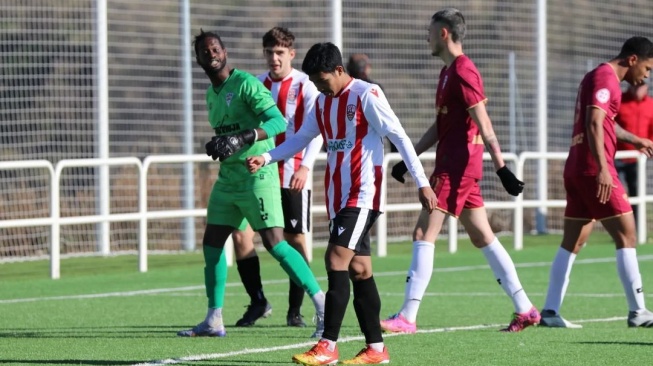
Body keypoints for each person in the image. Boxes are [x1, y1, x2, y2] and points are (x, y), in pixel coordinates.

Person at [247, 42, 437, 365]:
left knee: (335, 258)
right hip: (338, 198)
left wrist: (422, 182)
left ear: (339, 71)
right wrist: (266, 156)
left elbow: (400, 136)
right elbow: (300, 139)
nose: (319, 88)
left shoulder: (366, 95)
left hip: (363, 195)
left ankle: (327, 346)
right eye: (315, 84)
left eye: (322, 80)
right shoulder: (322, 103)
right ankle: (376, 349)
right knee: (359, 270)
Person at [380, 8, 540, 334]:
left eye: (430, 29)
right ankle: (526, 308)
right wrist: (409, 157)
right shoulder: (446, 73)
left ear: (443, 33)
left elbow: (484, 123)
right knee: (483, 236)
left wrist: (502, 168)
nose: (426, 35)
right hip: (455, 166)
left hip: (457, 168)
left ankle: (407, 317)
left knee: (424, 234)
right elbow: (442, 127)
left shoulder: (464, 70)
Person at [176, 29, 326, 338]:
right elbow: (227, 134)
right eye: (205, 52)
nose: (211, 54)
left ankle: (323, 307)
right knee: (212, 245)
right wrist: (218, 144)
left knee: (276, 243)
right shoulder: (210, 94)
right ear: (199, 60)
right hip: (228, 179)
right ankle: (214, 318)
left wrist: (244, 137)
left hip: (258, 175)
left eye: (215, 48)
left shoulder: (246, 83)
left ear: (225, 52)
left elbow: (277, 122)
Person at [539, 36, 653, 329]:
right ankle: (638, 312)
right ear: (632, 60)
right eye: (648, 68)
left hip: (576, 168)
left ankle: (550, 311)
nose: (647, 76)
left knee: (573, 241)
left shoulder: (598, 76)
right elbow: (592, 123)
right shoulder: (606, 77)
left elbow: (605, 122)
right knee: (627, 234)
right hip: (593, 169)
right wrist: (604, 168)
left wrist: (635, 138)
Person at [230, 27, 323, 329]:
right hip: (260, 173)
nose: (274, 58)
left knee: (294, 240)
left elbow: (317, 130)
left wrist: (306, 167)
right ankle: (258, 301)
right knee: (241, 235)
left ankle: (295, 310)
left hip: (293, 173)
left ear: (291, 54)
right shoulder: (256, 84)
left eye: (280, 52)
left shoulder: (305, 86)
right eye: (269, 52)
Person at [615, 81, 653, 225]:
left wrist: (648, 147)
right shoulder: (619, 101)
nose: (638, 89)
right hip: (617, 157)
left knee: (636, 193)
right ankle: (619, 228)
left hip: (638, 159)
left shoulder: (650, 104)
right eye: (635, 86)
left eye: (641, 86)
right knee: (618, 195)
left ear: (647, 87)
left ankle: (635, 228)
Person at [346, 53, 397, 153]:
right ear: (366, 68)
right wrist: (395, 150)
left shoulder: (341, 90)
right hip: (369, 150)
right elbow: (386, 121)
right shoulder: (374, 89)